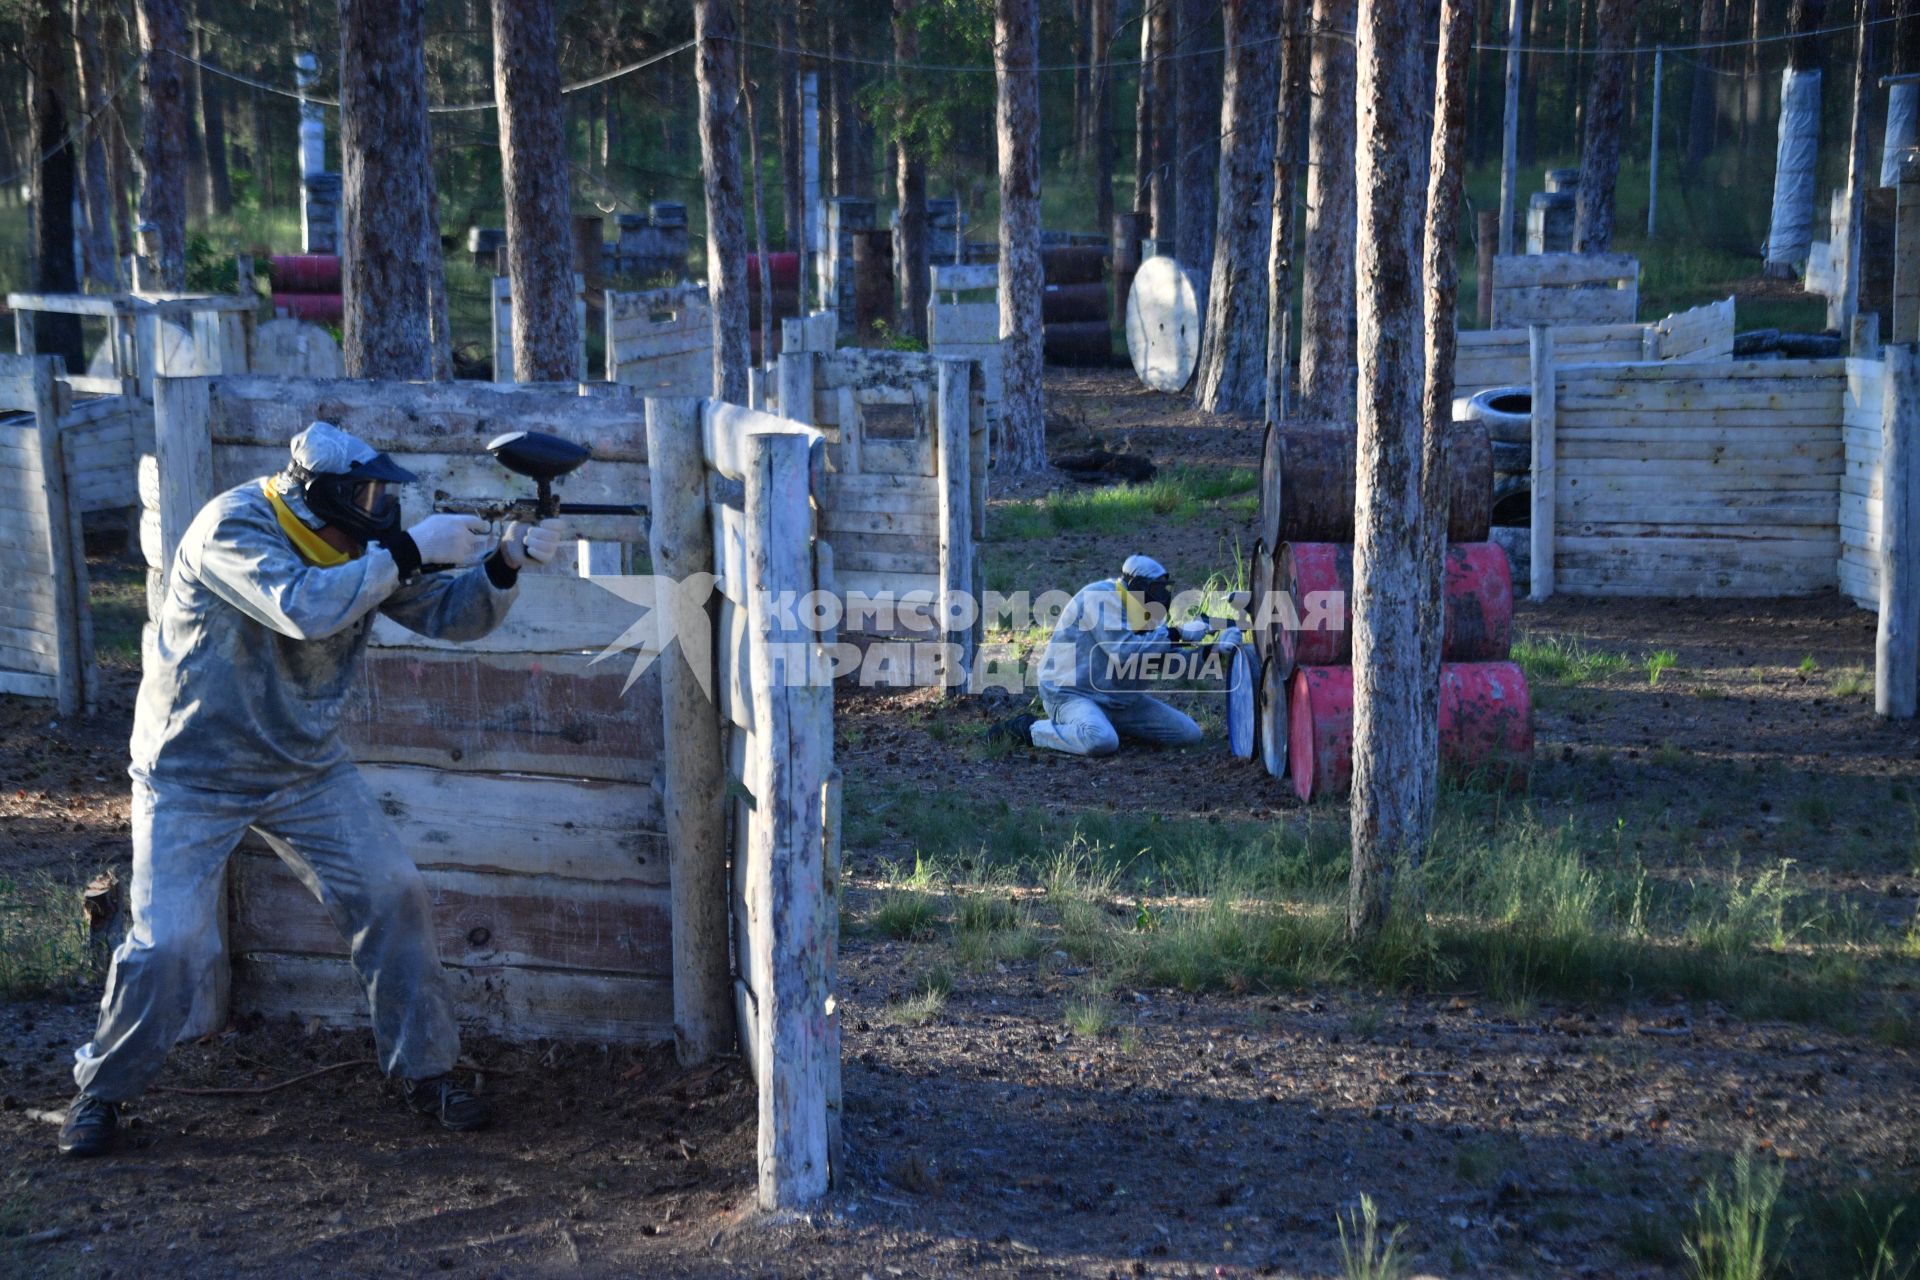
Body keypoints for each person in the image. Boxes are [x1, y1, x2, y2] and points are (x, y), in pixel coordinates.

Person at [58, 422, 565, 1158]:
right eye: (364, 492)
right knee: (168, 943)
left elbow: (445, 614)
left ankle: (429, 1072)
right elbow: (305, 606)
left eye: (380, 494)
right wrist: (409, 548)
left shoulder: (361, 541)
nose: (378, 505)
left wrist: (506, 565)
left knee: (394, 894)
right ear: (320, 492)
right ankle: (100, 1091)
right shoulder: (231, 527)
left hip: (302, 765)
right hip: (192, 771)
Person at [999, 554, 1217, 757]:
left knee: (1189, 735)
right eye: (1156, 590)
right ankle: (1029, 729)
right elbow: (1124, 651)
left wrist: (1212, 652)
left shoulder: (1149, 615)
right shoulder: (1099, 598)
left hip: (1120, 701)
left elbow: (1166, 660)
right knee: (1100, 741)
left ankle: (1102, 723)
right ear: (1137, 587)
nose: (1162, 597)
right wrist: (1177, 633)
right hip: (1071, 694)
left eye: (1163, 590)